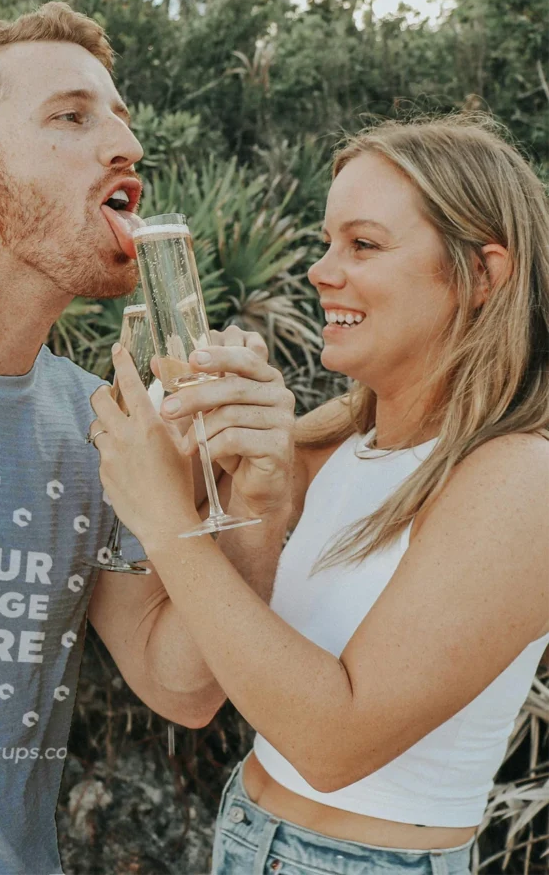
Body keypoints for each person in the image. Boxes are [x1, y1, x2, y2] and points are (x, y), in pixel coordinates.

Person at [0, 2, 294, 875]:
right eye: (72, 117)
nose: (125, 146)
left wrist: (259, 501)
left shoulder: (101, 425)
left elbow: (180, 686)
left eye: (120, 118)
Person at [90, 116, 549, 875]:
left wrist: (168, 520)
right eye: (327, 241)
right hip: (245, 830)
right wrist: (241, 491)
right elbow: (182, 684)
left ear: (482, 275)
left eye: (362, 244)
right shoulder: (335, 438)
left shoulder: (520, 477)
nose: (320, 271)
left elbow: (334, 743)